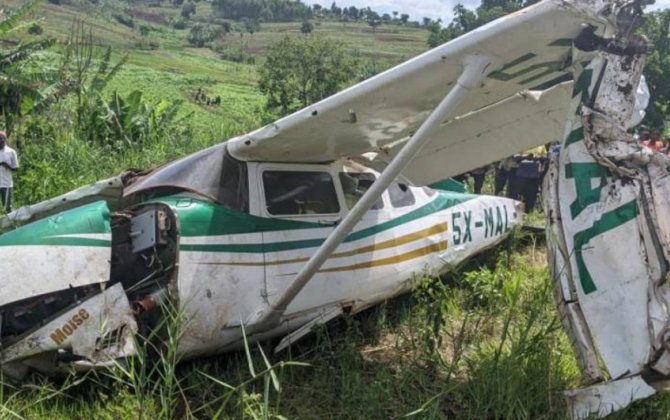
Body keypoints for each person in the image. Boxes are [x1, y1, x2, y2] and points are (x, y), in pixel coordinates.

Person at [0, 131, 19, 213]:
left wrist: (7, 166)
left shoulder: (11, 152)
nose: (1, 141)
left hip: (6, 184)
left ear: (5, 140)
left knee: (7, 207)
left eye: (2, 139)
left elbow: (16, 168)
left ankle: (12, 224)